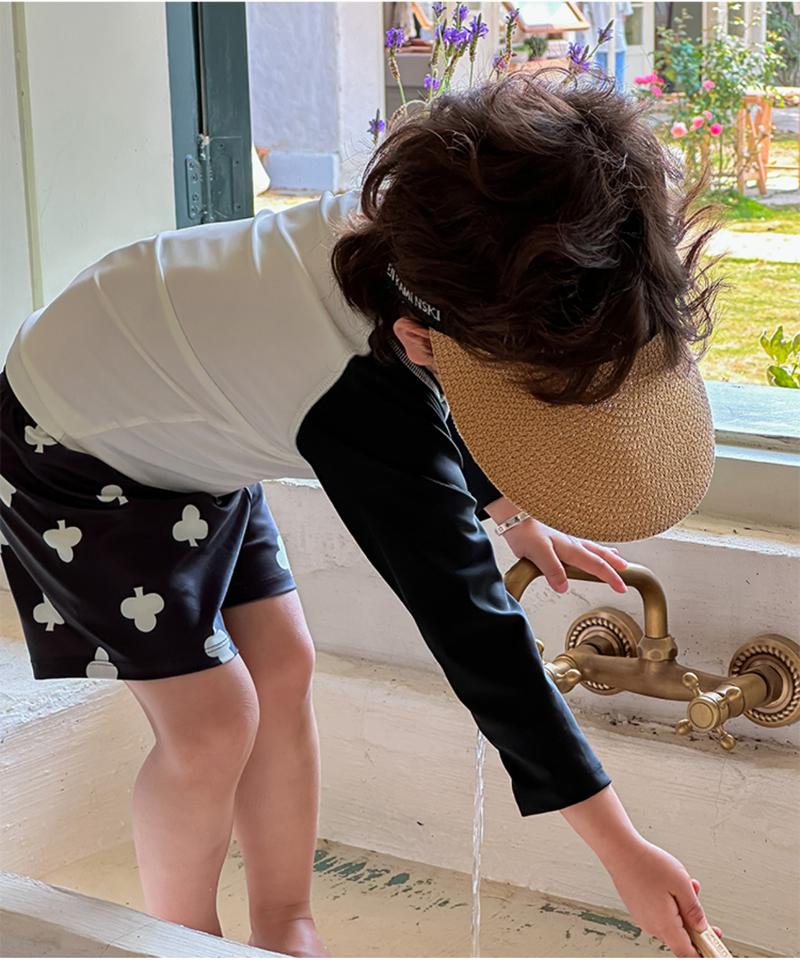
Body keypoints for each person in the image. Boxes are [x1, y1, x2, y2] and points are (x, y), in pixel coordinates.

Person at [0, 72, 723, 957]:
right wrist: (622, 849)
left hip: (184, 409)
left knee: (285, 663)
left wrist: (510, 510)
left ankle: (284, 925)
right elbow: (473, 631)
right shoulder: (354, 396)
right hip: (74, 447)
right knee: (213, 721)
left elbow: (457, 393)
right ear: (421, 336)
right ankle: (187, 942)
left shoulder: (421, 241)